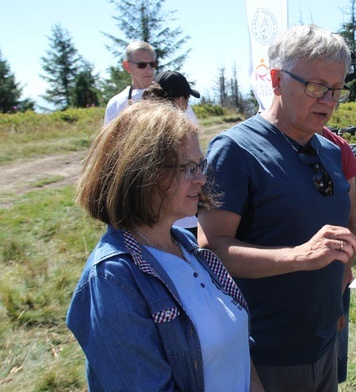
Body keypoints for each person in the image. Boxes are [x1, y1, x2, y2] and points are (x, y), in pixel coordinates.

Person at [198, 24, 356, 392]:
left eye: (337, 90)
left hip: (323, 342)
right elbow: (211, 249)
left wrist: (338, 290)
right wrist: (298, 257)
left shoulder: (331, 151)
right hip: (265, 355)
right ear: (275, 79)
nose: (329, 101)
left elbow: (342, 230)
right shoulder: (235, 151)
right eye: (316, 87)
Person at [67, 100, 263, 391]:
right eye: (188, 168)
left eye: (201, 165)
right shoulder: (113, 280)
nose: (202, 179)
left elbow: (238, 356)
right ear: (142, 174)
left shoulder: (187, 246)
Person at [320, 126, 356, 383]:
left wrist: (343, 273)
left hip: (337, 277)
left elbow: (353, 219)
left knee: (332, 367)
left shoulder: (339, 148)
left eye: (335, 91)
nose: (327, 100)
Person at [143, 70, 202, 237]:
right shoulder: (181, 135)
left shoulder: (140, 131)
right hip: (183, 220)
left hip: (149, 222)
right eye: (187, 100)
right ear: (179, 100)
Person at [103, 41, 197, 124]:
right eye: (142, 65)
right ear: (127, 66)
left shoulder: (172, 94)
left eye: (152, 64)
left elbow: (191, 133)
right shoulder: (116, 104)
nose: (149, 70)